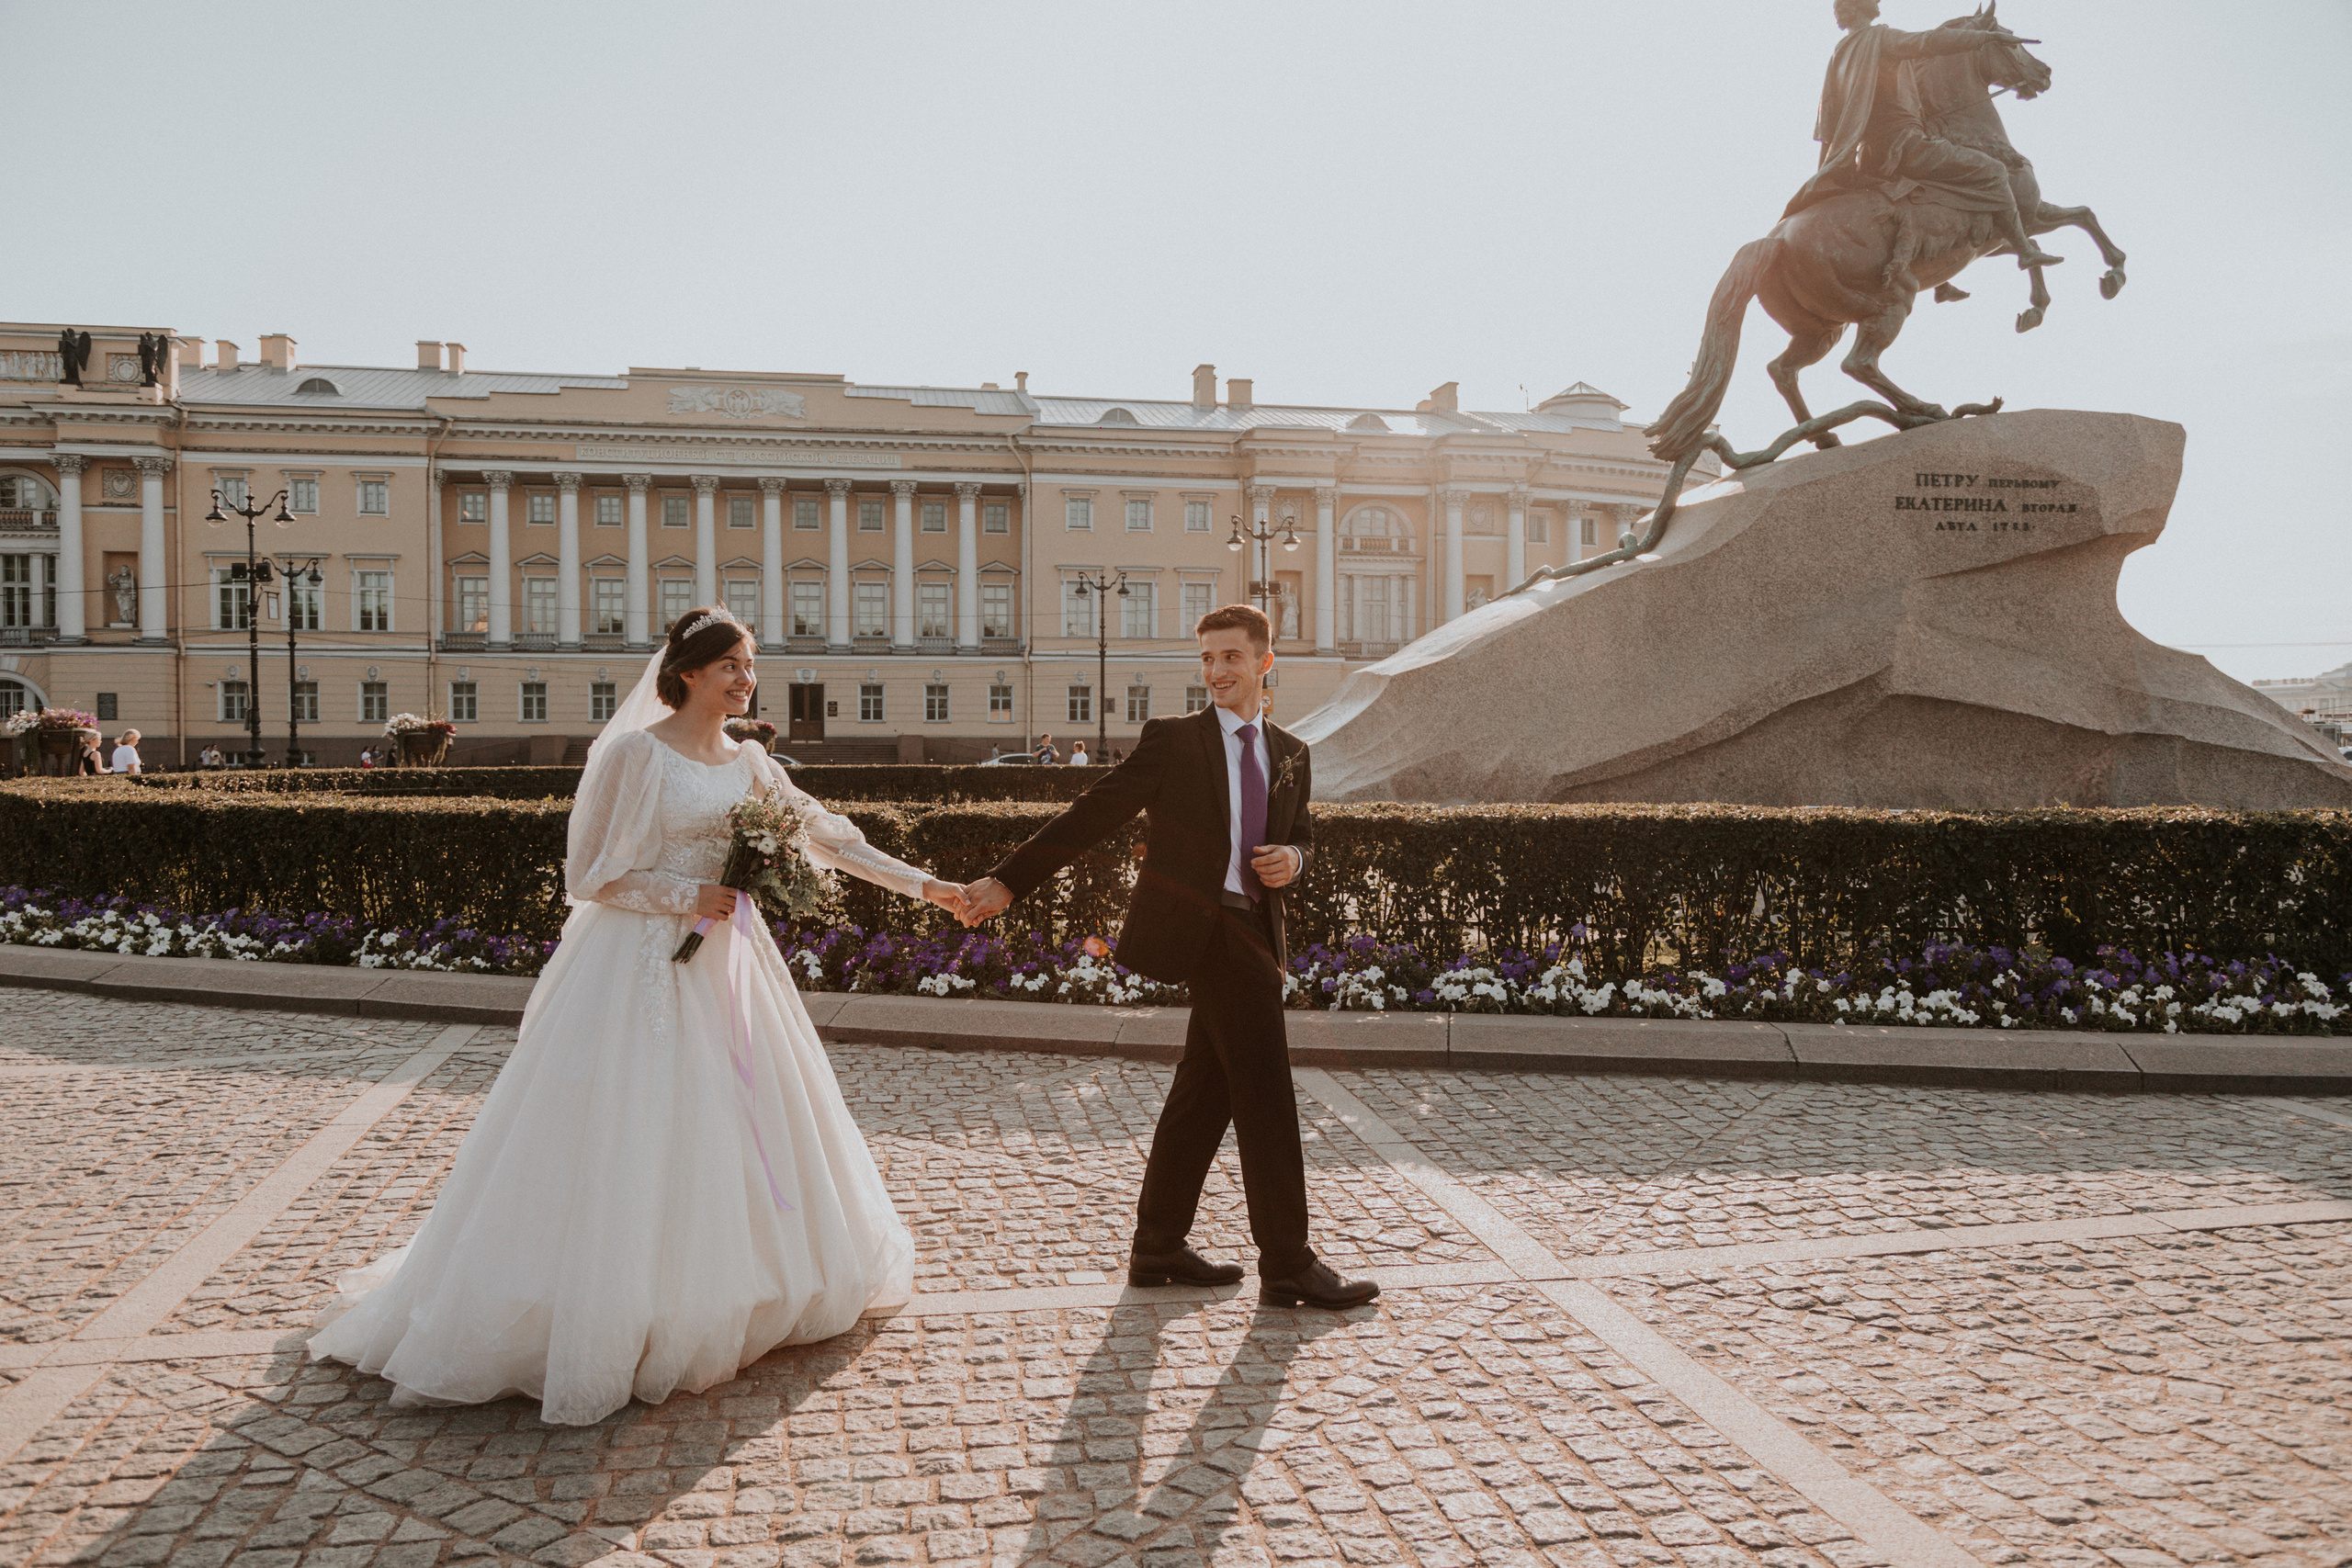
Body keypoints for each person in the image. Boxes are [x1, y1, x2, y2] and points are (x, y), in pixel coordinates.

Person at [309, 606, 972, 1425]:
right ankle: (609, 1304)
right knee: (630, 1123)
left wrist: (927, 886)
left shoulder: (753, 759)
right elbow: (589, 874)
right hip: (636, 968)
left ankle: (738, 1284)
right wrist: (685, 894)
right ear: (687, 671)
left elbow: (829, 837)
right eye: (730, 663)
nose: (745, 676)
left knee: (738, 1119)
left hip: (728, 962)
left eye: (749, 662)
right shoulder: (635, 754)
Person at [959, 604, 1376, 1313]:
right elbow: (1096, 809)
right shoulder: (1174, 740)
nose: (1216, 672)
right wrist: (1008, 880)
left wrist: (1294, 858)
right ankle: (1287, 1261)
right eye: (1208, 658)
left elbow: (1301, 831)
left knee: (1203, 1092)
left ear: (1264, 663)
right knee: (1268, 1095)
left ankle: (1157, 1244)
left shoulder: (1293, 753)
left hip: (1255, 928)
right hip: (1207, 933)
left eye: (1231, 658)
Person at [1786, 0, 2064, 270]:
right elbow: (1928, 43)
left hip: (1870, 158)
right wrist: (1979, 38)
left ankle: (1943, 279)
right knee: (1994, 172)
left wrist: (1825, 172)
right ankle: (2024, 250)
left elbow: (1827, 125)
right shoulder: (1880, 38)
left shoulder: (1839, 55)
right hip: (1907, 147)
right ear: (1862, 5)